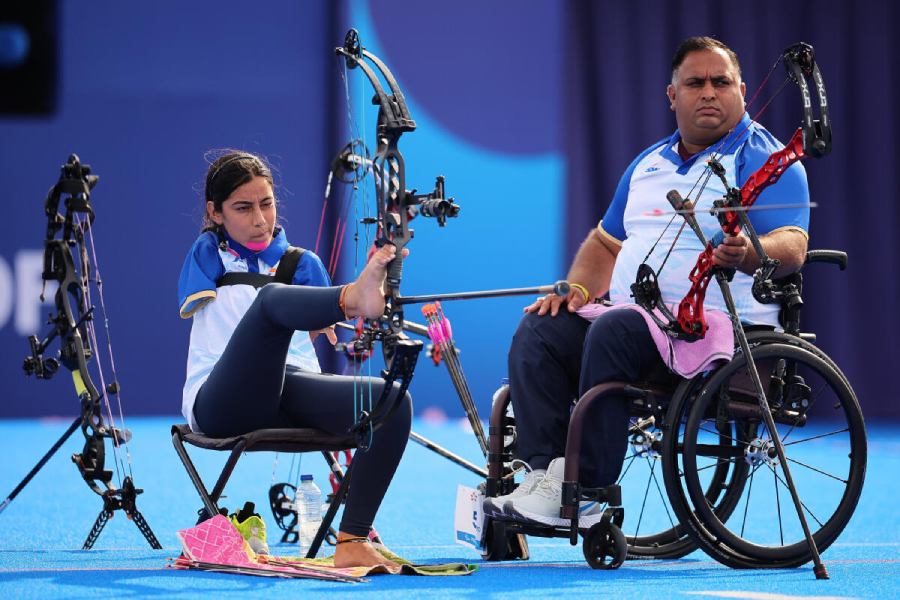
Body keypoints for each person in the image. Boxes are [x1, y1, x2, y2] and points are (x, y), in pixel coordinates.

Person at [486, 37, 810, 526]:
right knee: (542, 328)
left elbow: (794, 244)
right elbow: (605, 244)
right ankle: (545, 479)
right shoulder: (647, 164)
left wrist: (751, 252)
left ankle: (589, 490)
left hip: (720, 335)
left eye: (721, 82)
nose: (708, 92)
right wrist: (574, 290)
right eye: (695, 83)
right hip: (639, 328)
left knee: (615, 328)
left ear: (742, 90)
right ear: (671, 95)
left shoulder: (767, 159)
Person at [178, 150, 410, 570]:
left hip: (288, 392)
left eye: (266, 204)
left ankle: (353, 538)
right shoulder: (207, 256)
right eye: (242, 208)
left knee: (391, 402)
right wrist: (351, 300)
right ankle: (353, 298)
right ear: (214, 213)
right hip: (221, 403)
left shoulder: (301, 263)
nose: (259, 220)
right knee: (270, 301)